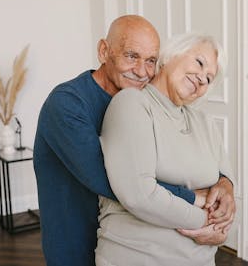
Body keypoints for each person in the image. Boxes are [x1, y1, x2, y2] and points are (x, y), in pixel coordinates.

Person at [33, 15, 235, 266]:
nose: (142, 71)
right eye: (131, 56)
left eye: (151, 60)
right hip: (75, 240)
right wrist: (197, 202)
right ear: (104, 51)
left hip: (126, 233)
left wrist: (225, 184)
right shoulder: (67, 103)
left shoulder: (145, 100)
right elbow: (116, 182)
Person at [96, 32, 234, 266]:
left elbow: (227, 182)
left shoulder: (204, 122)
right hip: (140, 256)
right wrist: (210, 225)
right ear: (171, 55)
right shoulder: (132, 103)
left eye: (209, 78)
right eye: (199, 63)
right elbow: (139, 195)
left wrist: (226, 189)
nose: (202, 78)